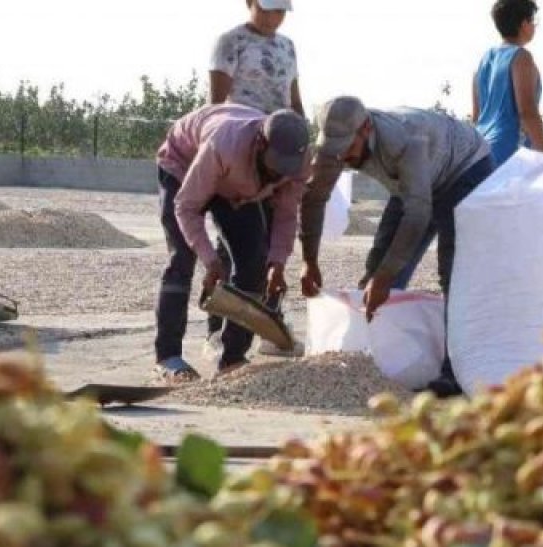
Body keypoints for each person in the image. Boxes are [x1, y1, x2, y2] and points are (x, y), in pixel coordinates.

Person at [298, 97, 494, 397]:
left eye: (347, 146)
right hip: (412, 183)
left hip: (463, 167)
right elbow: (314, 198)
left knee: (453, 272)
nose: (342, 156)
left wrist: (386, 276)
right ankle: (374, 358)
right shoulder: (334, 149)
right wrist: (309, 260)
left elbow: (418, 214)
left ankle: (455, 373)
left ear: (365, 129)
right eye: (335, 147)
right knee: (376, 269)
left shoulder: (405, 141)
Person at [153, 103, 309, 383]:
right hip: (184, 166)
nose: (277, 176)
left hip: (237, 187)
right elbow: (187, 207)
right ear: (260, 143)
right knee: (182, 258)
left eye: (284, 170)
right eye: (274, 166)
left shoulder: (299, 161)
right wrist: (210, 259)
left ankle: (232, 358)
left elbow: (286, 214)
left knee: (254, 263)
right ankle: (168, 357)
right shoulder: (224, 144)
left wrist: (277, 263)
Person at [203, 0, 305, 357]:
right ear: (250, 3)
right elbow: (215, 105)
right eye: (268, 9)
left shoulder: (287, 46)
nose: (275, 17)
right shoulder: (231, 42)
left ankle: (266, 321)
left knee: (272, 238)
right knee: (237, 242)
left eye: (281, 11)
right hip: (241, 151)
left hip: (279, 153)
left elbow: (293, 100)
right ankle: (220, 331)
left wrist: (302, 143)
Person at [473, 0, 543, 167]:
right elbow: (527, 111)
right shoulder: (521, 57)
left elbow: (477, 116)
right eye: (533, 21)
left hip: (479, 151)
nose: (535, 26)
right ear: (524, 24)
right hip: (508, 152)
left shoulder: (484, 61)